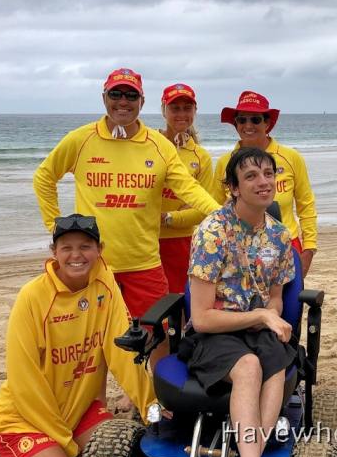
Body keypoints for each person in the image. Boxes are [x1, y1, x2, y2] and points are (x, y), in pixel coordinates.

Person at [33, 68, 220, 366]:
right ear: (104, 98)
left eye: (130, 95)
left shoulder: (159, 146)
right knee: (94, 336)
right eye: (115, 94)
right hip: (94, 264)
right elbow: (44, 177)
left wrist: (225, 217)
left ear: (142, 101)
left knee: (157, 332)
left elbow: (189, 189)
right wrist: (57, 230)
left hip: (144, 261)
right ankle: (99, 402)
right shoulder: (81, 139)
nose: (123, 101)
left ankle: (155, 397)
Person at [0, 214, 158, 457]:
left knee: (129, 450)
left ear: (100, 250)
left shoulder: (105, 284)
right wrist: (63, 444)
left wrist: (151, 407)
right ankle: (12, 456)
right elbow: (24, 379)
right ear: (54, 252)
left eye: (85, 247)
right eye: (66, 247)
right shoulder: (32, 297)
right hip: (27, 418)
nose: (76, 255)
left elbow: (122, 352)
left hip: (79, 412)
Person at [188, 147, 297, 457]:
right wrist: (261, 315)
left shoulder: (279, 235)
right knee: (249, 366)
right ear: (234, 188)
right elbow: (202, 318)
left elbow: (276, 296)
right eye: (250, 176)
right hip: (217, 332)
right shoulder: (212, 232)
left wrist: (270, 314)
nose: (263, 182)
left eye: (268, 173)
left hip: (257, 329)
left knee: (275, 361)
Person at [211, 91, 318, 278]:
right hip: (237, 246)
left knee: (286, 304)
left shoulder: (291, 158)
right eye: (242, 120)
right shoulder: (225, 162)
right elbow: (213, 206)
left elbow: (306, 205)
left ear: (267, 123)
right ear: (235, 124)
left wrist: (309, 248)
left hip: (286, 243)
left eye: (255, 119)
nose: (248, 125)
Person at [157, 83, 216, 293]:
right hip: (144, 238)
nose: (181, 114)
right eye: (175, 108)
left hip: (182, 242)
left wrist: (169, 218)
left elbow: (204, 211)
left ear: (195, 111)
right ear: (163, 109)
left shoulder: (201, 157)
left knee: (181, 301)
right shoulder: (150, 145)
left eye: (187, 108)